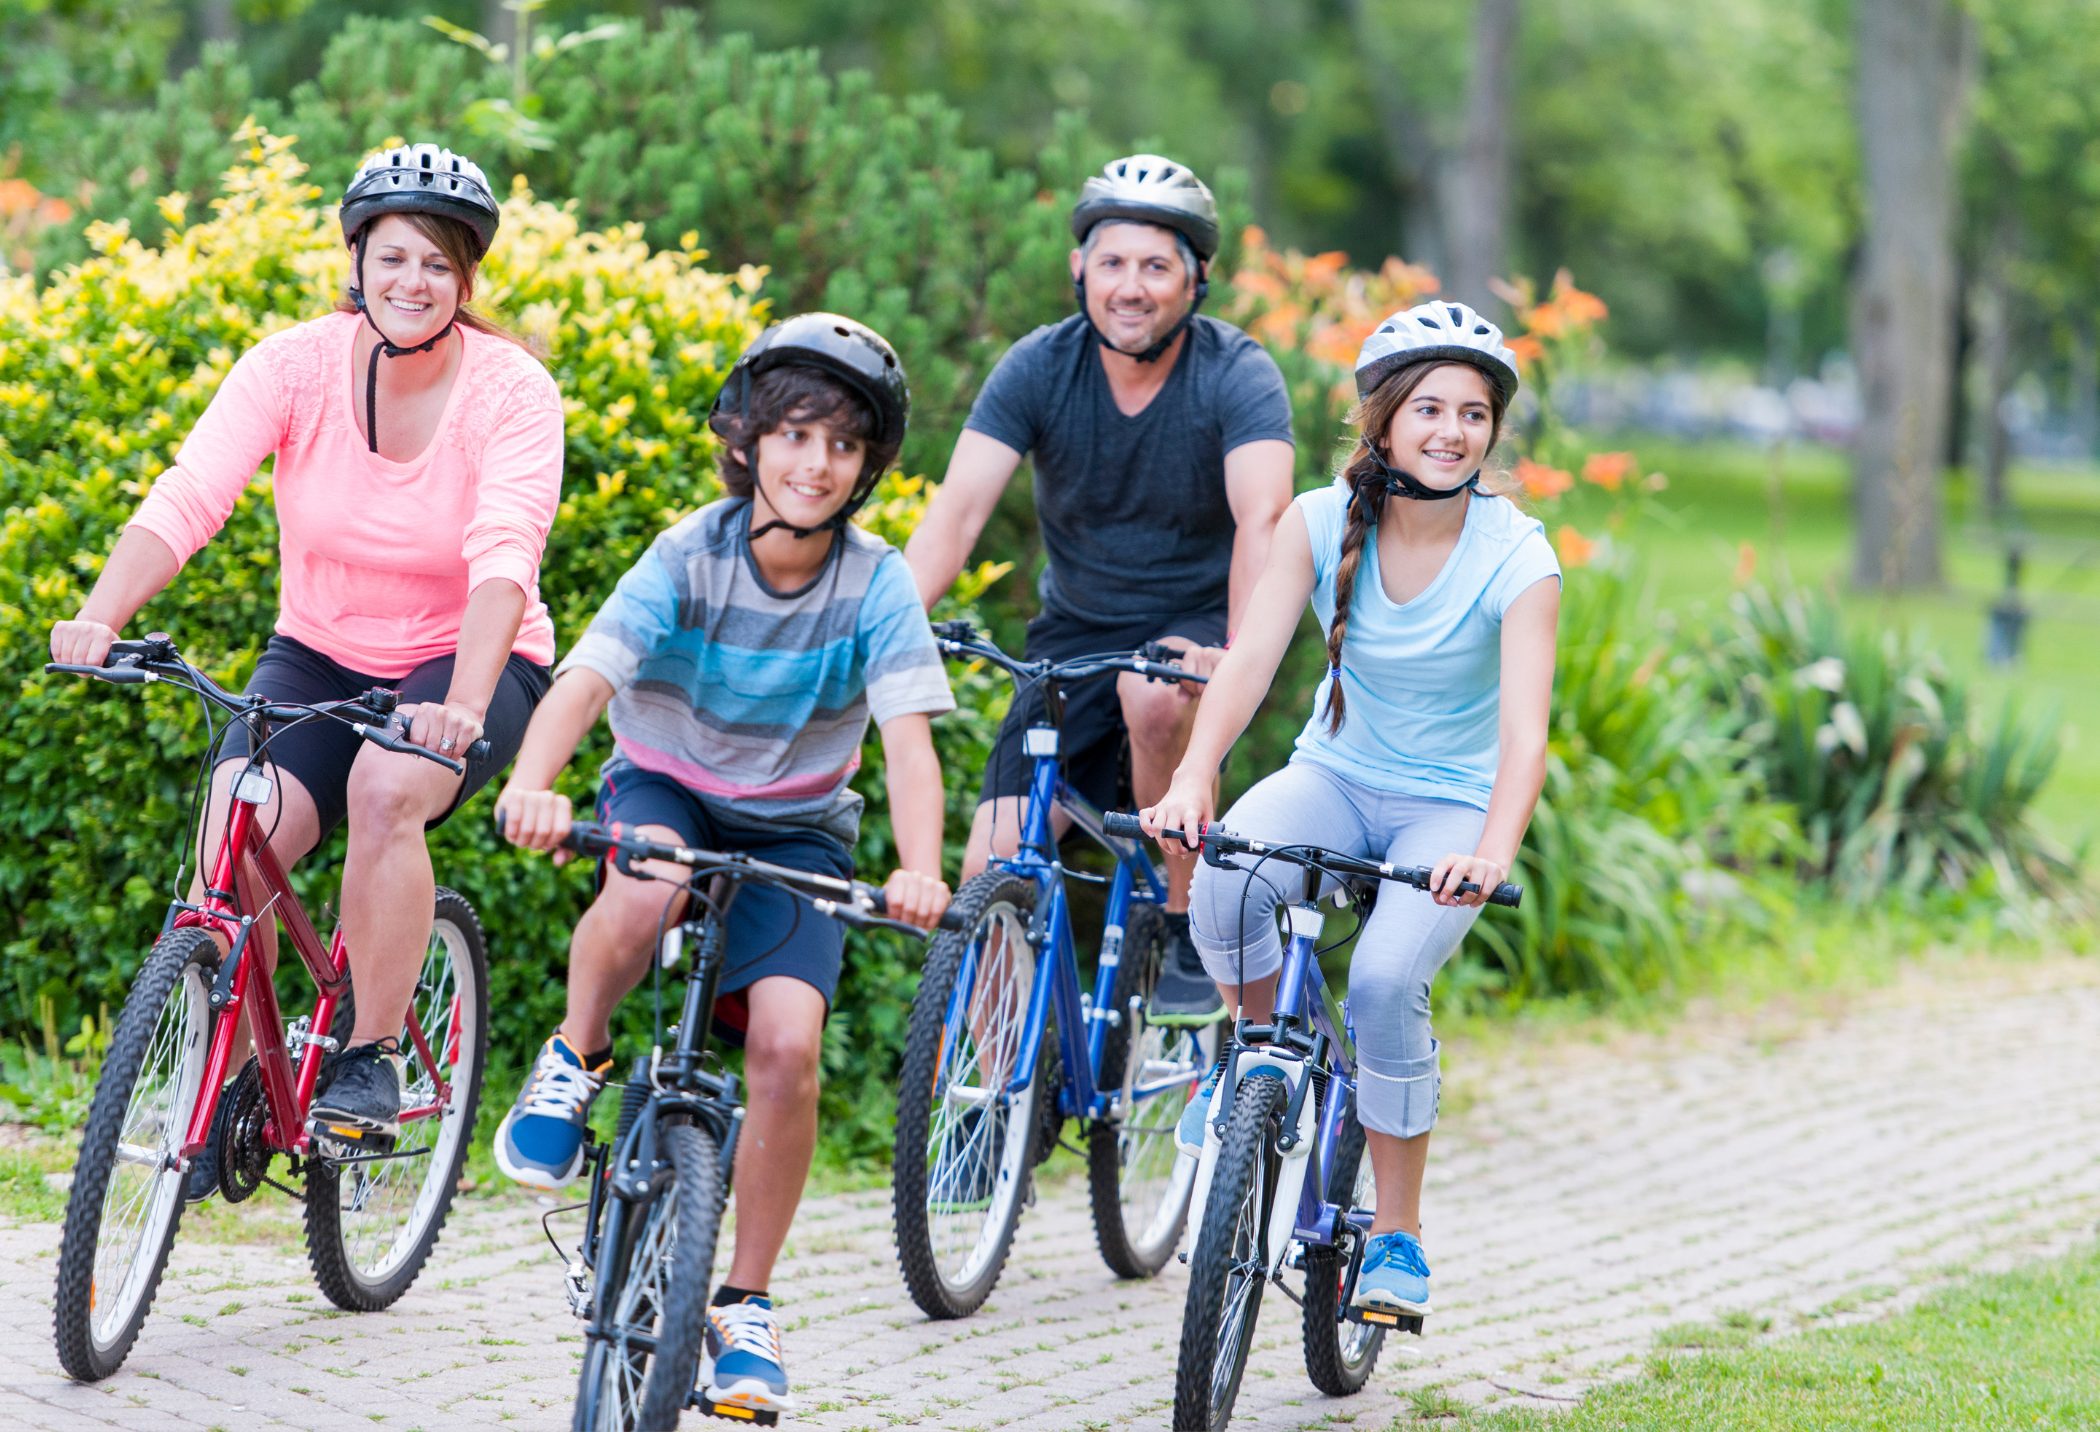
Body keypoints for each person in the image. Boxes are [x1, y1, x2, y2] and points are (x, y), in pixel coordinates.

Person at [48, 143, 564, 1179]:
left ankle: (370, 1055)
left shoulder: (513, 390)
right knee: (233, 835)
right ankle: (237, 1081)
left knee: (386, 790)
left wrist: (462, 703)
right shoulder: (294, 365)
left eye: (438, 264)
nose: (413, 282)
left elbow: (504, 552)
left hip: (468, 660)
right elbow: (192, 493)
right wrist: (98, 613)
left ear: (466, 280)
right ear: (357, 259)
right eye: (394, 258)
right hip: (318, 653)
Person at [492, 313, 953, 1418]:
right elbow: (589, 677)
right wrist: (534, 780)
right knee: (645, 880)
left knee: (790, 1046)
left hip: (796, 830)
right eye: (794, 435)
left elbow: (907, 745)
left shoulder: (876, 583)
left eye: (843, 446)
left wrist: (923, 868)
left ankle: (744, 1301)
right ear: (748, 440)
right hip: (671, 787)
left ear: (867, 469)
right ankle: (577, 1051)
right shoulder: (690, 551)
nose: (815, 463)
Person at [1141, 300, 1561, 1323]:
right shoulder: (1320, 520)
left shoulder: (1520, 556)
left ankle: (1400, 1236)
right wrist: (1196, 774)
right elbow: (1247, 660)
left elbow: (1523, 738)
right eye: (1429, 408)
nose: (1452, 431)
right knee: (1231, 878)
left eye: (1473, 412)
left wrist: (1494, 851)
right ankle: (1246, 1058)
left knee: (1381, 981)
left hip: (1449, 808)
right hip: (1334, 772)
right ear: (1382, 421)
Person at [903, 154, 1296, 1026]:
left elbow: (1262, 520)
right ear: (1080, 267)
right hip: (1068, 641)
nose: (1132, 286)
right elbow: (956, 514)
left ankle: (1181, 920)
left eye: (1157, 266)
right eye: (1113, 262)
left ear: (1195, 279)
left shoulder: (1237, 373)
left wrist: (1231, 655)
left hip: (1190, 631)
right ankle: (1000, 1105)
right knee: (987, 877)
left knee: (1154, 697)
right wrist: (882, 633)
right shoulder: (1040, 366)